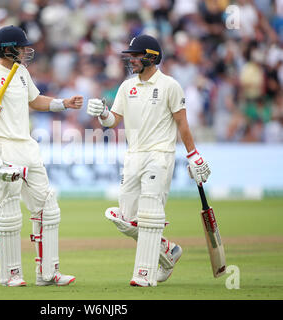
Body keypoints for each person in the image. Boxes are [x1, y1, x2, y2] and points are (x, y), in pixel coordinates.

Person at [87, 35, 211, 287]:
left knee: (149, 215)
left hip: (160, 155)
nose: (131, 60)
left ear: (151, 57)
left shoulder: (170, 85)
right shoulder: (126, 86)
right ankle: (168, 251)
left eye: (136, 55)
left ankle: (143, 275)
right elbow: (113, 121)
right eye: (130, 56)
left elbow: (182, 124)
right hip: (133, 156)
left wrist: (193, 154)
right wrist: (102, 113)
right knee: (125, 218)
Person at [0, 25, 82, 287]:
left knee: (48, 207)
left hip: (28, 146)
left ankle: (48, 273)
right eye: (21, 47)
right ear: (7, 49)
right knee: (9, 212)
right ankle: (10, 274)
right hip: (4, 147)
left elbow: (35, 100)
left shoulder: (21, 71)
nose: (25, 51)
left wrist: (63, 103)